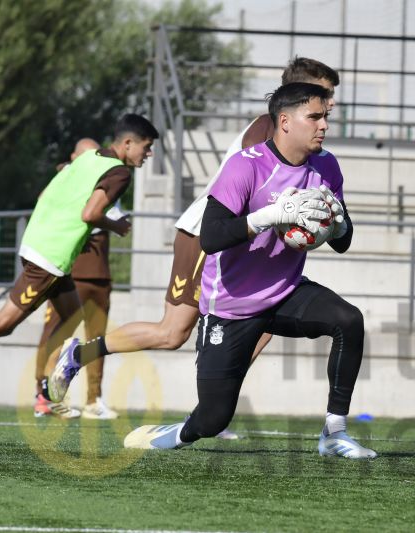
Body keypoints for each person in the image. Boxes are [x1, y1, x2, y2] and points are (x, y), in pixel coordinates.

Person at [45, 58, 341, 437]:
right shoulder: (268, 131)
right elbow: (250, 195)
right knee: (172, 332)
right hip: (208, 238)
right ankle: (80, 354)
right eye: (327, 94)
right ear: (301, 94)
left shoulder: (306, 139)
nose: (331, 105)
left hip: (242, 244)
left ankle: (211, 412)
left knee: (261, 324)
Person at [116, 82, 375, 458]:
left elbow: (343, 240)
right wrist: (269, 217)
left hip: (284, 291)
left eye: (326, 118)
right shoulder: (246, 165)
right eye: (315, 117)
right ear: (285, 121)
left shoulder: (327, 166)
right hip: (230, 305)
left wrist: (338, 226)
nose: (324, 126)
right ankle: (173, 433)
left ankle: (334, 434)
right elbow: (211, 236)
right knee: (212, 421)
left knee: (348, 321)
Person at [0, 116, 157, 380]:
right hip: (50, 257)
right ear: (128, 143)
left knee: (72, 315)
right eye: (147, 146)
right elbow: (90, 214)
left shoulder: (89, 157)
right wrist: (115, 226)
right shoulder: (119, 173)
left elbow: (48, 194)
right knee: (2, 324)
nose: (148, 153)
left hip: (39, 243)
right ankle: (47, 384)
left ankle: (47, 389)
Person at [33, 138, 124, 419]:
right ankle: (43, 395)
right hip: (69, 270)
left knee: (96, 339)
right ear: (74, 157)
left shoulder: (105, 177)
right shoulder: (67, 178)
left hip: (99, 274)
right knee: (56, 334)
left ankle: (93, 399)